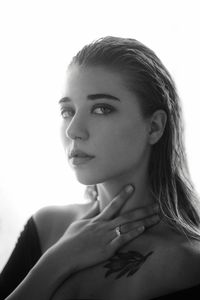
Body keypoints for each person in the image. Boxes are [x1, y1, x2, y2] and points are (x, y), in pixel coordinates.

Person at [1, 35, 200, 299]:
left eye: (102, 109)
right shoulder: (45, 227)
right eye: (67, 111)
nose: (73, 130)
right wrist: (56, 262)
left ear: (154, 127)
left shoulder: (187, 262)